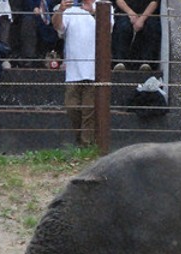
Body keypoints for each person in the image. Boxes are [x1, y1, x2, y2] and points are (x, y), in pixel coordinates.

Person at [53, 0, 110, 147]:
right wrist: (60, 10)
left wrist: (94, 12)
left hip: (93, 70)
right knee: (71, 107)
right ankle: (80, 140)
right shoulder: (70, 9)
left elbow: (108, 29)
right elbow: (58, 27)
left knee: (89, 110)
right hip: (73, 70)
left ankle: (86, 144)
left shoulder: (103, 5)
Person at [110, 0, 159, 72]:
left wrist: (141, 19)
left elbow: (154, 2)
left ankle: (147, 63)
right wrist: (130, 13)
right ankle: (119, 62)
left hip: (148, 14)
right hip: (125, 12)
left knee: (152, 26)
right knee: (123, 26)